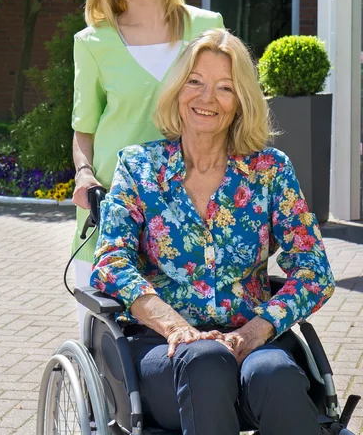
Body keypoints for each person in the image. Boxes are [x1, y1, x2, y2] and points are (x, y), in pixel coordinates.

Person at [90, 28, 335, 435]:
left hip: (253, 342)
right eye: (195, 82)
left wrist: (254, 332)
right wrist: (176, 327)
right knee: (204, 361)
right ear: (177, 90)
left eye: (224, 87)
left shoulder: (269, 170)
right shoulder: (139, 168)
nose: (206, 98)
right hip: (166, 352)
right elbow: (111, 263)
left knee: (275, 373)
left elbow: (314, 272)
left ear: (240, 102)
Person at [71, 0, 223, 328]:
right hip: (115, 207)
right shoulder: (93, 42)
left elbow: (231, 108)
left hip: (192, 209)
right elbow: (85, 129)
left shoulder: (208, 28)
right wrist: (84, 174)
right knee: (106, 352)